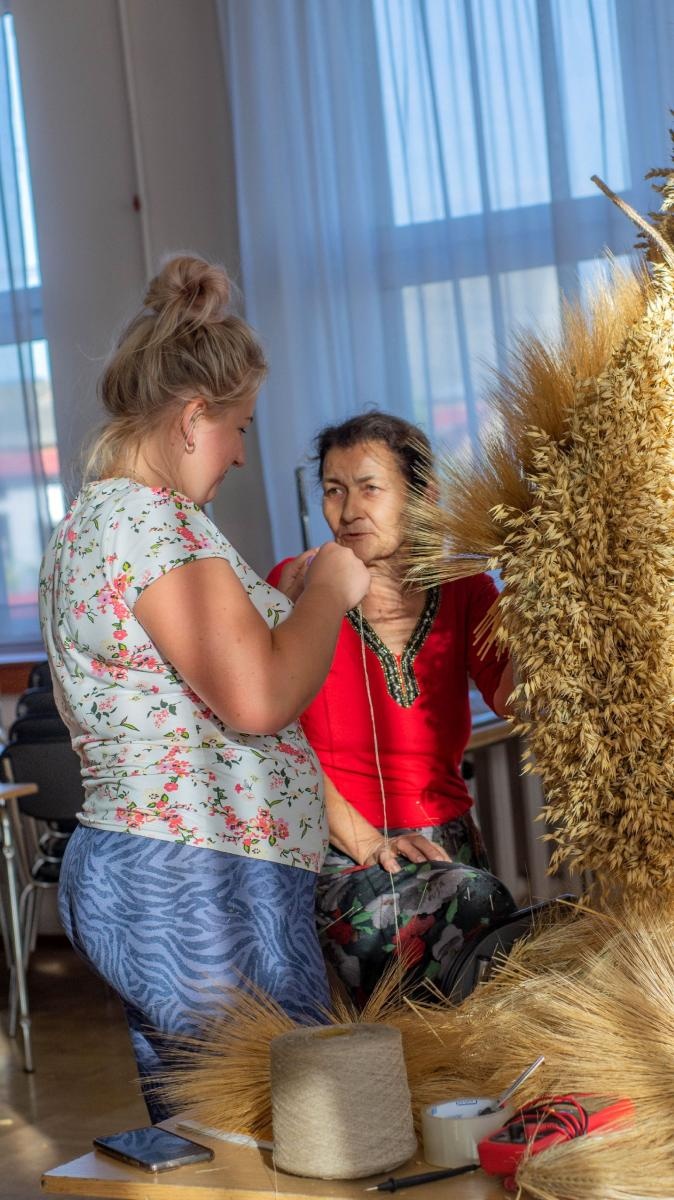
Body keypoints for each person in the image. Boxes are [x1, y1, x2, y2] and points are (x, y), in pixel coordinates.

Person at [39, 256, 369, 1119]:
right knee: (294, 1130)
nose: (240, 454)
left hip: (170, 870)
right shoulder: (155, 524)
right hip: (198, 877)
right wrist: (331, 591)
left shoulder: (97, 521)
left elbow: (196, 691)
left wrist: (284, 603)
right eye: (241, 427)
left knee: (213, 1142)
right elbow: (258, 699)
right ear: (193, 418)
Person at [268, 411, 516, 1005]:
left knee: (476, 1005)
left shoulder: (466, 587)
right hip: (339, 850)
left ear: (423, 495)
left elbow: (513, 699)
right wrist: (365, 841)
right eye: (334, 489)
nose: (349, 509)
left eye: (370, 487)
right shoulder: (298, 585)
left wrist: (538, 594)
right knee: (471, 929)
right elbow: (274, 737)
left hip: (449, 848)